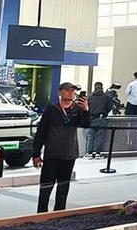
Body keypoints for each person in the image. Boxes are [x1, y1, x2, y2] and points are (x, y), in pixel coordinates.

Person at [32, 83, 90, 212]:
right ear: (60, 92)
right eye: (67, 90)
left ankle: (59, 214)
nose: (71, 93)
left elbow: (86, 125)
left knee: (63, 187)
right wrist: (36, 154)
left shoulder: (77, 109)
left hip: (69, 154)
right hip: (52, 154)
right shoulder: (51, 109)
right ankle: (41, 214)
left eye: (73, 91)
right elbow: (41, 132)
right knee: (46, 186)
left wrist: (86, 110)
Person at [84, 82, 112, 159]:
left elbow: (86, 108)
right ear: (102, 87)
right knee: (100, 136)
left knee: (90, 136)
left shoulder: (90, 97)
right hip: (102, 118)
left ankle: (89, 153)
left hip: (91, 118)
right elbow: (109, 107)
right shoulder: (106, 97)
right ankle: (97, 153)